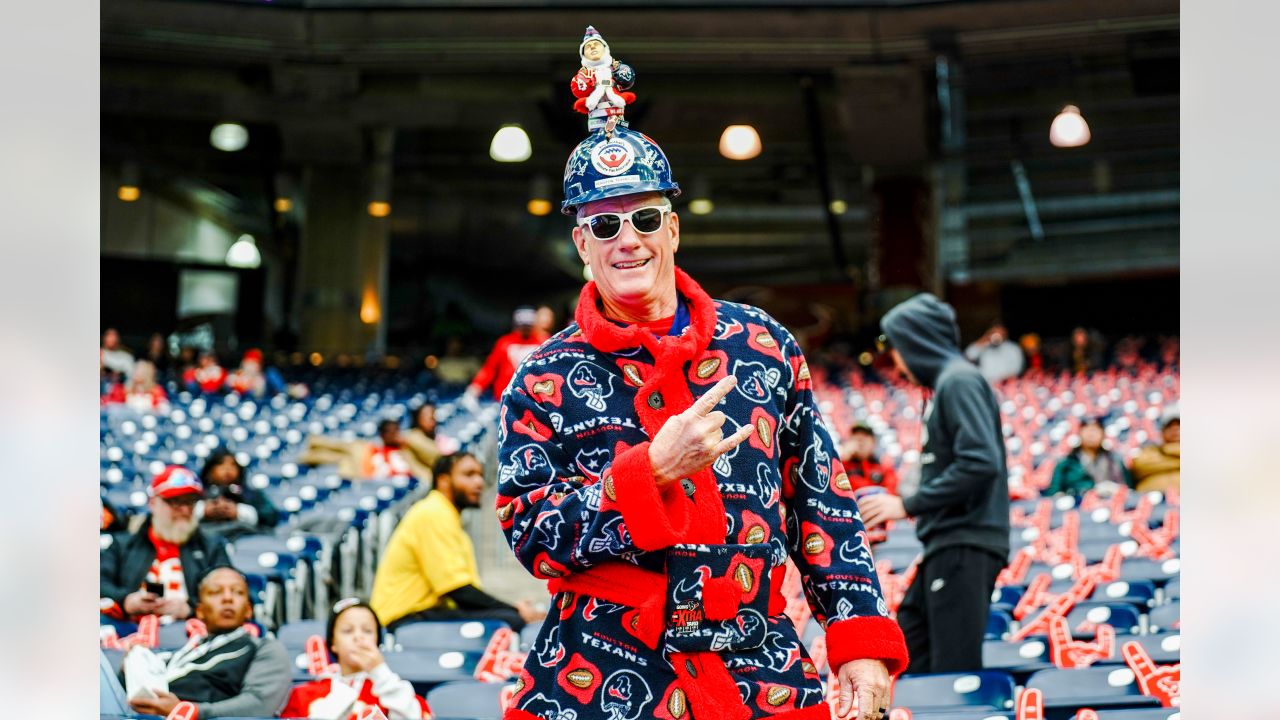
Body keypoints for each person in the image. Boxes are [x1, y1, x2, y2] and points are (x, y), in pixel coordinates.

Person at [495, 66, 905, 720]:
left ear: (673, 229)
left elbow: (822, 503)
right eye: (604, 226)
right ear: (581, 245)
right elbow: (531, 534)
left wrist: (857, 637)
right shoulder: (542, 376)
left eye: (645, 218)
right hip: (601, 671)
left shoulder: (763, 345)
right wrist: (648, 474)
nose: (627, 239)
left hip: (757, 662)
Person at [859, 293, 1010, 675]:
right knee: (911, 659)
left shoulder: (959, 381)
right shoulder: (951, 384)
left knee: (952, 671)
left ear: (915, 342)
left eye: (894, 349)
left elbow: (981, 463)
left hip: (964, 543)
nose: (894, 363)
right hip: (947, 544)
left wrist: (906, 505)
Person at [371, 453, 539, 632]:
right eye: (469, 474)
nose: (479, 482)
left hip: (425, 613)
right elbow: (458, 591)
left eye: (480, 475)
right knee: (511, 620)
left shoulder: (446, 516)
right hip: (404, 618)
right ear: (443, 481)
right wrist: (515, 609)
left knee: (508, 618)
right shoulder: (433, 513)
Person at [123, 566, 292, 718]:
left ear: (248, 610)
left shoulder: (264, 648)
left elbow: (259, 706)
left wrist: (189, 711)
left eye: (237, 592)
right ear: (200, 611)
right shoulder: (183, 653)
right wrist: (130, 669)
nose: (228, 598)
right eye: (216, 592)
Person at [101, 466, 231, 624]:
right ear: (153, 503)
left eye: (190, 502)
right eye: (175, 502)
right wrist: (126, 600)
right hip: (129, 630)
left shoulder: (212, 547)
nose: (184, 509)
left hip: (191, 633)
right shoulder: (122, 545)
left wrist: (191, 608)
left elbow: (230, 591)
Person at [280, 598, 432, 719]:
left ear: (377, 643)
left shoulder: (392, 690)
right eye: (347, 631)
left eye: (367, 631)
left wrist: (380, 671)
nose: (358, 637)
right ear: (332, 644)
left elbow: (414, 716)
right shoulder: (303, 694)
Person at [299, 418, 429, 482]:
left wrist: (407, 443)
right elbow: (333, 446)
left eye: (397, 432)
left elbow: (428, 464)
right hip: (372, 486)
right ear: (383, 435)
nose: (395, 435)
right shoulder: (368, 450)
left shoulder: (407, 452)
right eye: (391, 432)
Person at [464, 307, 550, 402]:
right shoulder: (505, 342)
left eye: (528, 326)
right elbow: (490, 368)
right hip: (504, 397)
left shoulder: (544, 342)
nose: (525, 329)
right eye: (522, 325)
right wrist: (475, 388)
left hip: (534, 399)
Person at [198, 448, 280, 540]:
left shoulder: (251, 494)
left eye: (233, 465)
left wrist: (239, 511)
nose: (227, 469)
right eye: (220, 464)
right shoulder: (196, 493)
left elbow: (271, 518)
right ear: (209, 470)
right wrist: (204, 510)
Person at [1046, 416, 1130, 497]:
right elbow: (1053, 493)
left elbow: (1129, 490)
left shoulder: (1115, 461)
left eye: (1095, 430)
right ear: (1080, 433)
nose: (1091, 434)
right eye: (1087, 430)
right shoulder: (1066, 463)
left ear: (1103, 434)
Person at [839, 422, 900, 496]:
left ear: (873, 442)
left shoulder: (884, 469)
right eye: (856, 436)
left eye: (865, 436)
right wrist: (841, 460)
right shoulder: (841, 466)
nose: (860, 440)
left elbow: (892, 493)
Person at [1130, 405, 1180, 493]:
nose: (1175, 429)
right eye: (1169, 426)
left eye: (1179, 425)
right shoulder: (1148, 451)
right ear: (1162, 431)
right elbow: (1139, 466)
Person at [103, 358, 169, 412]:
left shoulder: (156, 391)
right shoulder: (124, 389)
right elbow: (110, 403)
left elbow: (163, 409)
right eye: (136, 370)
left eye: (141, 371)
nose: (137, 373)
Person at [402, 402, 442, 474]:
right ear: (419, 418)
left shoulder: (433, 437)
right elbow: (437, 459)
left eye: (435, 418)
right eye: (431, 418)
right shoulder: (412, 437)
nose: (434, 422)